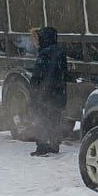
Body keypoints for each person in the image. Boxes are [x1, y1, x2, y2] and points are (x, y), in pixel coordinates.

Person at [28, 26, 69, 156]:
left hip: (44, 94)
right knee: (55, 119)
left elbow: (37, 76)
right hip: (58, 93)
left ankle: (42, 147)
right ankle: (54, 144)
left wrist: (34, 91)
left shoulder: (44, 54)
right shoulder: (60, 52)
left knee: (41, 120)